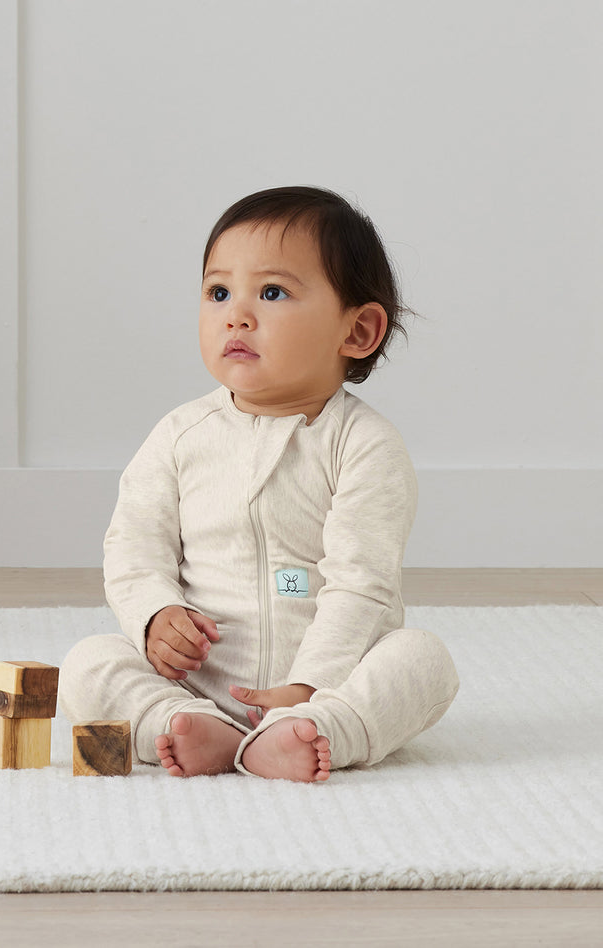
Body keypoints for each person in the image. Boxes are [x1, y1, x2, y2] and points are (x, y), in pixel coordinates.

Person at [59, 186, 459, 783]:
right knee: (88, 663)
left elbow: (362, 583)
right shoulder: (180, 436)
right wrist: (155, 615)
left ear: (357, 331)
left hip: (328, 683)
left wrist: (311, 685)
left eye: (272, 293)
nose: (236, 315)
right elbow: (134, 548)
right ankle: (182, 722)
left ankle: (318, 729)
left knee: (425, 661)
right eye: (218, 292)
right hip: (195, 679)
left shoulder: (365, 445)